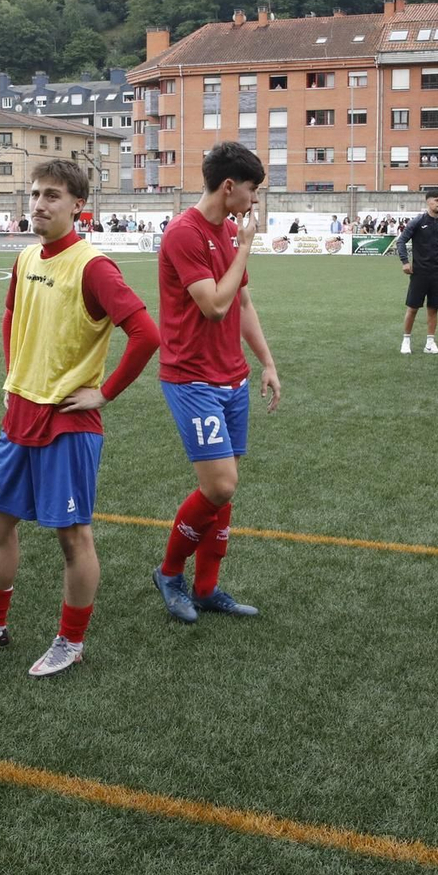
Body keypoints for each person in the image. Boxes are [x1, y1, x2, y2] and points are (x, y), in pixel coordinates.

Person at [0, 159, 159, 675]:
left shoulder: (94, 266)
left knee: (71, 536)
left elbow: (147, 334)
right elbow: (11, 314)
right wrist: (15, 374)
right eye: (34, 194)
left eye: (52, 195)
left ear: (79, 205)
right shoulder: (27, 257)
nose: (39, 203)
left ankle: (70, 642)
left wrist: (104, 394)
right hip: (21, 411)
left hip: (67, 421)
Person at [152, 141, 281, 624]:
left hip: (232, 376)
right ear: (230, 187)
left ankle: (206, 588)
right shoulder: (184, 233)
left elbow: (243, 305)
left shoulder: (228, 231)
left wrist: (265, 362)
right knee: (221, 485)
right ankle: (169, 573)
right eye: (252, 190)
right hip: (192, 378)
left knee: (225, 490)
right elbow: (215, 305)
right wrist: (245, 246)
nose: (254, 201)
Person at [394, 188, 438, 354]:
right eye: (437, 200)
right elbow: (401, 242)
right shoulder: (418, 221)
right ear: (428, 202)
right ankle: (406, 340)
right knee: (413, 307)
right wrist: (405, 262)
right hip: (420, 272)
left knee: (433, 308)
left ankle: (430, 343)